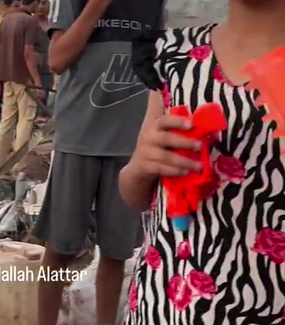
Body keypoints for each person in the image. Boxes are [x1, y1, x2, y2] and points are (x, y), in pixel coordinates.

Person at [120, 0, 285, 324]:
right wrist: (141, 166)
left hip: (270, 301)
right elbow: (135, 193)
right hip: (167, 302)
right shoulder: (174, 55)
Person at [32, 0, 165, 324]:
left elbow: (161, 61)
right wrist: (96, 7)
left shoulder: (155, 5)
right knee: (61, 248)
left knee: (117, 251)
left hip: (130, 145)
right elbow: (58, 59)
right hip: (79, 139)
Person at [0, 0, 43, 172]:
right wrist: (37, 82)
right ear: (34, 3)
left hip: (7, 79)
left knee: (6, 123)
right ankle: (19, 167)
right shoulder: (30, 22)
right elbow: (27, 54)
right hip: (24, 80)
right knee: (25, 123)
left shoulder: (5, 21)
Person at [34, 0, 53, 105]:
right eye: (39, 3)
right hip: (34, 70)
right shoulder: (31, 23)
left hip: (49, 68)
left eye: (44, 3)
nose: (41, 6)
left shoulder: (52, 23)